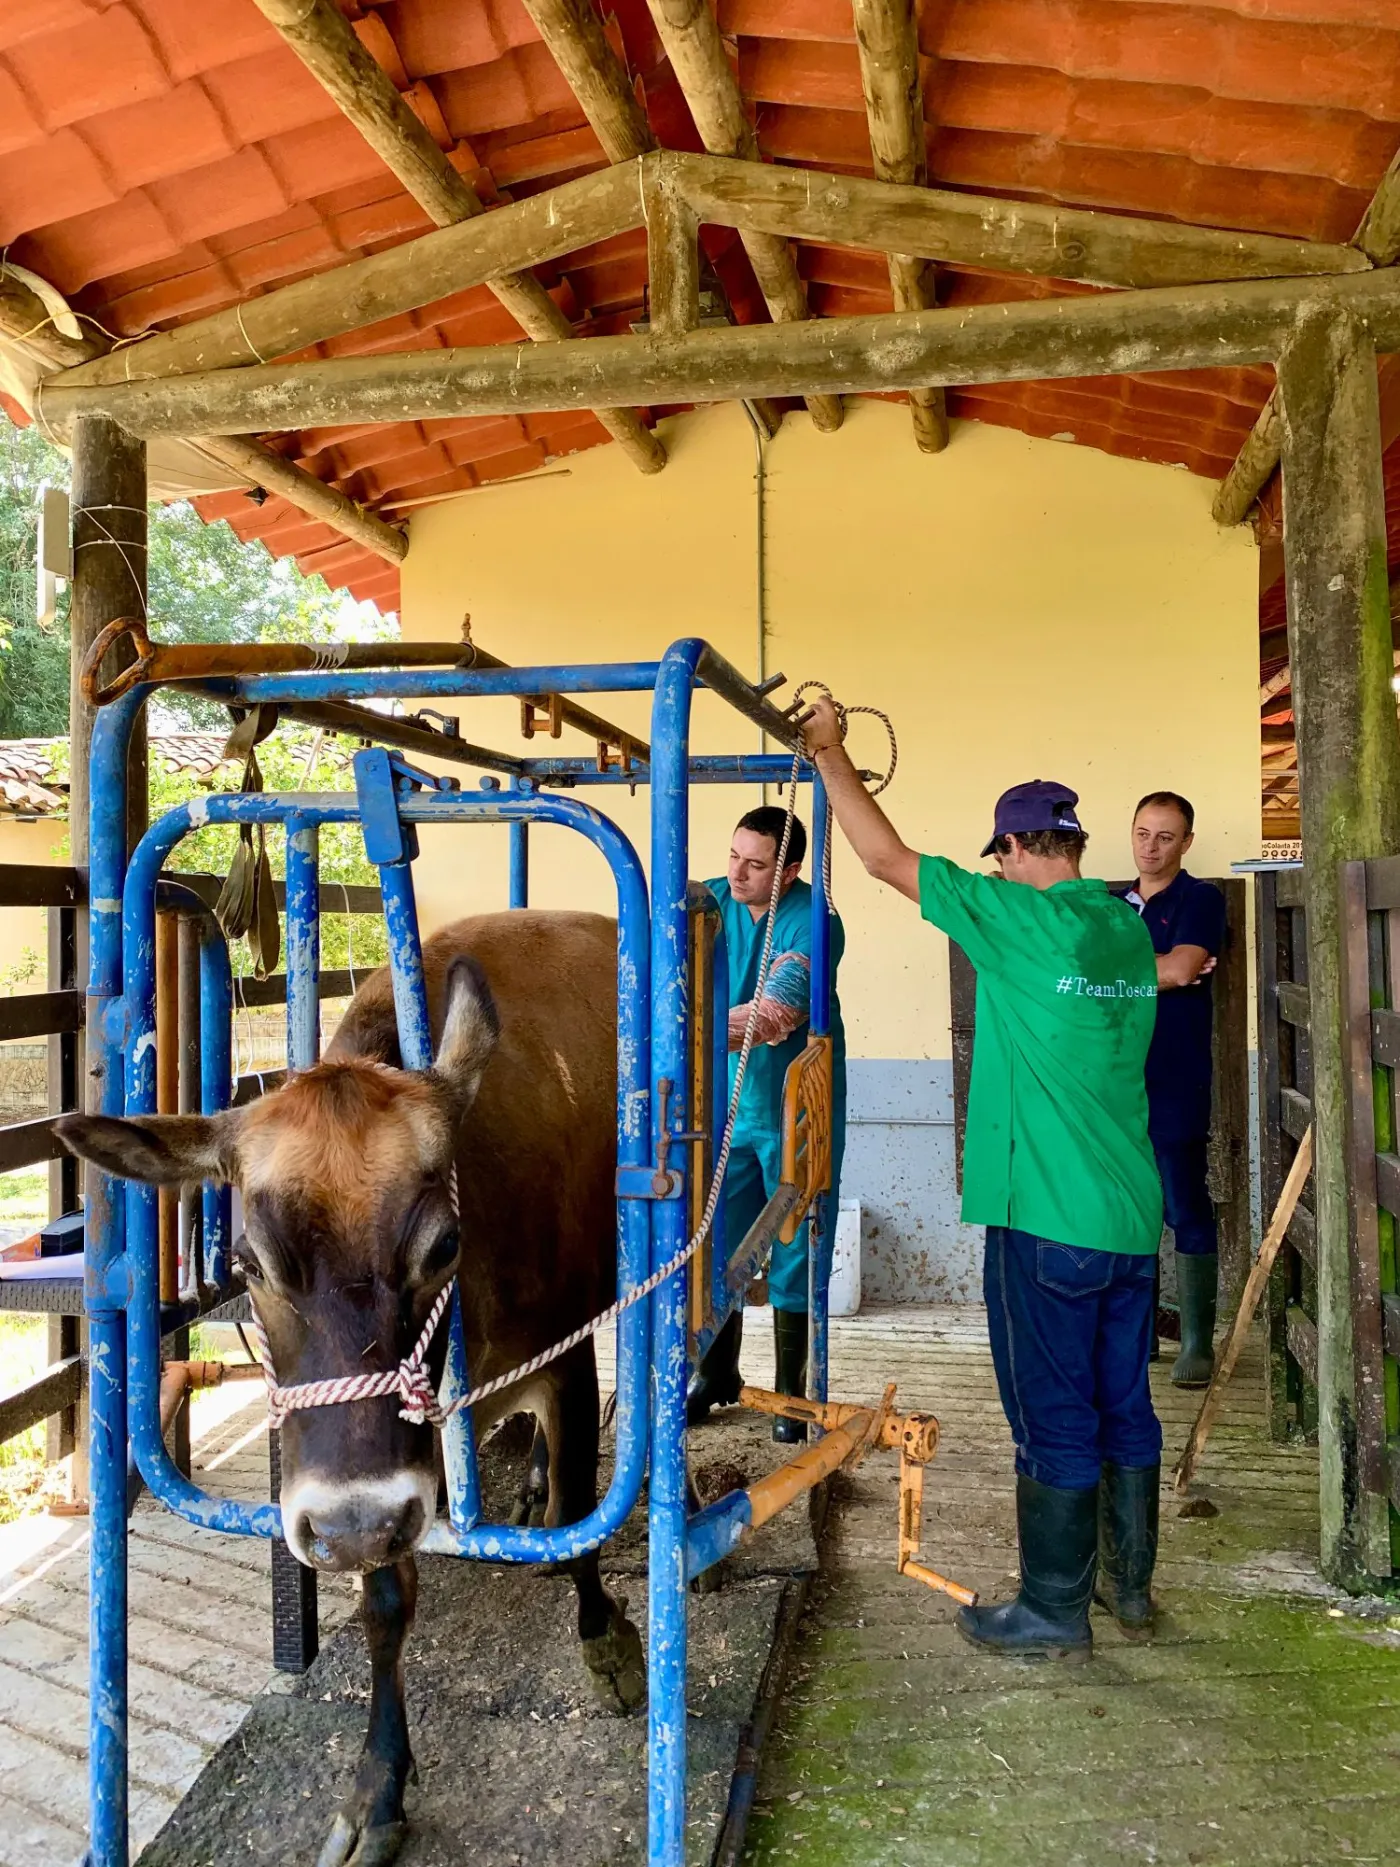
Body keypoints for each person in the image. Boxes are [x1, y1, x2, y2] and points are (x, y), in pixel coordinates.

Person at [799, 697, 1162, 1658]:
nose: (995, 872)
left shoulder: (1018, 918)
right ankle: (1128, 1589)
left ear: (1012, 848)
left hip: (1047, 1221)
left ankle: (1052, 1610)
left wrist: (830, 753)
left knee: (1053, 1414)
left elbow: (885, 859)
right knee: (1125, 1404)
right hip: (1129, 1218)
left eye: (998, 858)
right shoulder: (1124, 928)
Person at [686, 806, 846, 1444]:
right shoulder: (705, 903)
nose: (738, 873)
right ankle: (715, 1372)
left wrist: (679, 1027)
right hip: (724, 1105)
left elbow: (773, 1014)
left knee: (793, 1243)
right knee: (715, 1237)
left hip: (793, 1108)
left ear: (791, 870)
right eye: (734, 856)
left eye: (756, 865)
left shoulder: (814, 920)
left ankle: (789, 1391)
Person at [1121, 792, 1227, 1389]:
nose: (1151, 846)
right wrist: (1155, 968)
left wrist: (1118, 974)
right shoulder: (1112, 905)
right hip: (1115, 1081)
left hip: (1176, 1075)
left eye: (1165, 836)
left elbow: (1183, 968)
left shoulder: (1200, 898)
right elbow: (1162, 970)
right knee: (1129, 1205)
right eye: (1143, 832)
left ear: (1186, 842)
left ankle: (1196, 1341)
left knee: (1185, 1201)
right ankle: (1139, 1336)